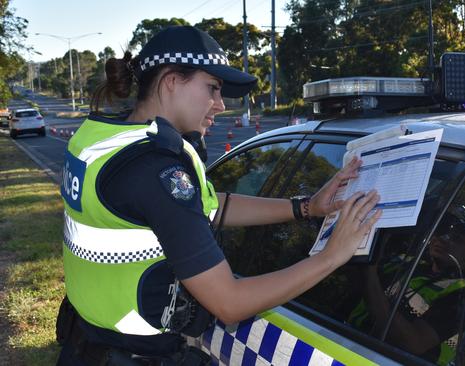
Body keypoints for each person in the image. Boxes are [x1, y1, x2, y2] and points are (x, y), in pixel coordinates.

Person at [56, 25, 381, 365]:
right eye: (211, 88)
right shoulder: (156, 170)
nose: (220, 105)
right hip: (130, 354)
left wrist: (305, 207)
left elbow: (204, 207)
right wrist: (332, 255)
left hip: (86, 342)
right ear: (170, 81)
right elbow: (230, 302)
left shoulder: (105, 139)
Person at [349, 205, 465, 365]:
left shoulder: (463, 294)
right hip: (350, 345)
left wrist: (369, 272)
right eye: (441, 231)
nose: (444, 239)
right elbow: (355, 285)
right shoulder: (405, 263)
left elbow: (413, 343)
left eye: (456, 238)